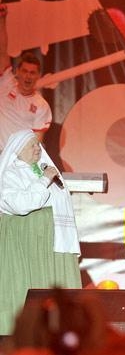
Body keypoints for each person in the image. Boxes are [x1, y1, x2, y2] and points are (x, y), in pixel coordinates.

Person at [0, 129, 80, 335]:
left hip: (49, 241)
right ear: (17, 150)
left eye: (38, 145)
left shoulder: (43, 170)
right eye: (32, 145)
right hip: (24, 242)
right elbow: (21, 205)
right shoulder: (10, 173)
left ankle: (54, 330)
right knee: (26, 286)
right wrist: (44, 180)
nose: (38, 149)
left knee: (50, 286)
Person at [0, 4, 52, 150]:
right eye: (25, 71)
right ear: (17, 72)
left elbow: (36, 142)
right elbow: (2, 51)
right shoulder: (6, 84)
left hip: (17, 159)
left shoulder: (41, 105)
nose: (28, 76)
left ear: (38, 76)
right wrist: (2, 20)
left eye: (32, 73)